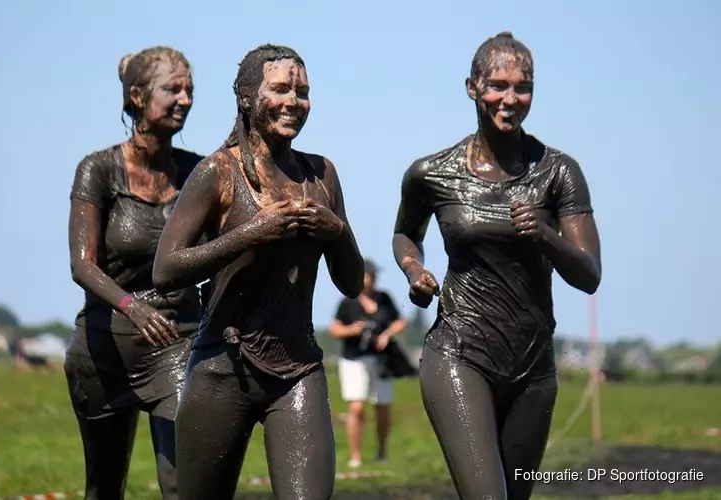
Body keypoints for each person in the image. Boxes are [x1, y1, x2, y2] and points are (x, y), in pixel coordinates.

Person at [392, 32, 602, 500]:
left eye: (522, 87)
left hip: (533, 366)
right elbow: (406, 233)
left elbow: (589, 274)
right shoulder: (431, 172)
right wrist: (413, 269)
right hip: (460, 353)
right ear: (472, 87)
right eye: (498, 85)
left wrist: (546, 237)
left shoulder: (558, 171)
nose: (511, 98)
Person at [152, 44, 364, 500]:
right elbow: (165, 269)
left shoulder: (321, 175)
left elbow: (351, 283)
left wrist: (336, 231)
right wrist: (251, 233)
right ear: (247, 98)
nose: (294, 101)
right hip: (220, 371)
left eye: (302, 92)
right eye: (281, 89)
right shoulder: (218, 172)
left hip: (298, 369)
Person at [65, 46, 202, 500]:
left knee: (184, 484)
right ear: (138, 97)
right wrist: (131, 305)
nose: (184, 98)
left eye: (190, 89)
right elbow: (81, 264)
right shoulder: (98, 169)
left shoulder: (198, 172)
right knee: (104, 489)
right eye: (173, 89)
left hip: (177, 341)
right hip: (104, 351)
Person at [328, 259, 406, 468]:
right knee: (356, 408)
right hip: (354, 360)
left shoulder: (385, 299)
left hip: (382, 361)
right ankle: (356, 457)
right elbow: (334, 329)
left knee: (383, 408)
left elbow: (400, 321)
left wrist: (387, 334)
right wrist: (352, 330)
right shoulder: (348, 302)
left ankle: (382, 451)